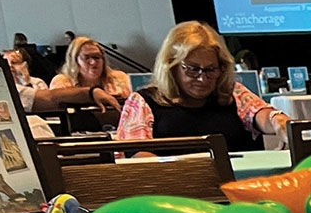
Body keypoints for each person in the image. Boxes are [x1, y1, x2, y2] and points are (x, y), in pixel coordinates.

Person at [116, 21, 289, 150]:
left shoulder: (232, 93)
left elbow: (260, 114)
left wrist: (276, 119)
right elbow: (137, 155)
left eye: (211, 69)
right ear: (171, 66)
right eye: (192, 69)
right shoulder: (143, 101)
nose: (202, 78)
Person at [42, 35, 132, 120]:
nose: (93, 62)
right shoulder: (61, 81)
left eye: (97, 57)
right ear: (74, 60)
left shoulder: (120, 78)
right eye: (86, 58)